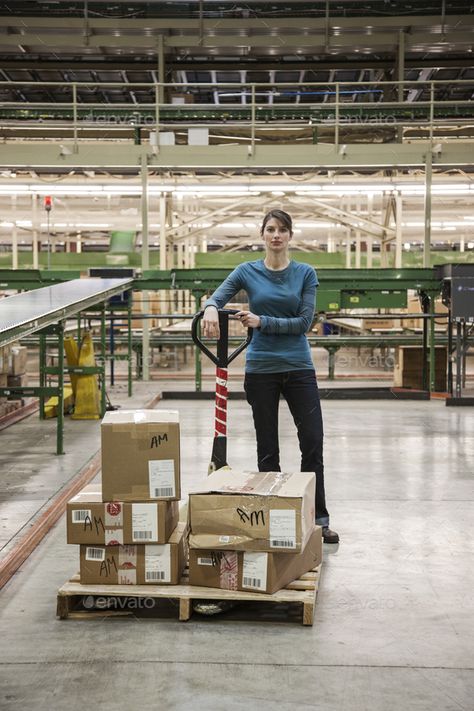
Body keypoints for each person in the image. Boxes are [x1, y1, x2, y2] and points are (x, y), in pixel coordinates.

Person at [202, 208, 339, 544]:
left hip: (298, 367)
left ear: (291, 236)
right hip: (261, 368)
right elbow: (217, 298)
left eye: (282, 230)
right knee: (267, 448)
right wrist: (208, 308)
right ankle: (275, 515)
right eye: (270, 229)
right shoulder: (246, 271)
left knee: (312, 442)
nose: (276, 235)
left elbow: (304, 324)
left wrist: (263, 322)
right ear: (262, 235)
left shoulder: (305, 273)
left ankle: (317, 517)